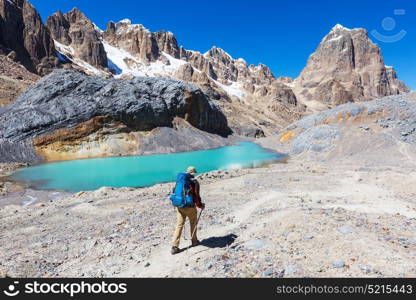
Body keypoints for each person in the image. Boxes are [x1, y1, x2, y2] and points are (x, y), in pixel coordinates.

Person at [171, 166, 205, 255]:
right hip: (190, 207)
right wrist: (200, 205)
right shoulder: (194, 182)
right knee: (193, 223)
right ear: (193, 173)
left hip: (179, 206)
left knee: (179, 225)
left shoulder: (180, 180)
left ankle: (174, 246)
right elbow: (196, 196)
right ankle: (194, 241)